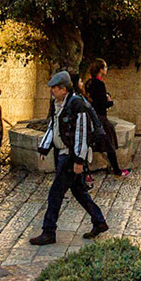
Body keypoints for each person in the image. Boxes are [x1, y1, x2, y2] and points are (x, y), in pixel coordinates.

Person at [27, 70, 107, 247]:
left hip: (70, 157)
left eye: (54, 88)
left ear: (63, 89)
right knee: (79, 192)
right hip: (64, 154)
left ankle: (49, 232)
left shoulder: (77, 105)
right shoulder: (58, 103)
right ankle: (99, 221)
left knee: (55, 193)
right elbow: (53, 126)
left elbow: (82, 134)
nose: (51, 91)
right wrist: (44, 147)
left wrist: (79, 161)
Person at [81, 59, 125, 175]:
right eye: (105, 67)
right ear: (101, 69)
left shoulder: (89, 83)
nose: (106, 69)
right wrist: (110, 102)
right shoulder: (99, 84)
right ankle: (117, 171)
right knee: (109, 145)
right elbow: (101, 103)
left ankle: (114, 169)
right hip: (100, 118)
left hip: (93, 117)